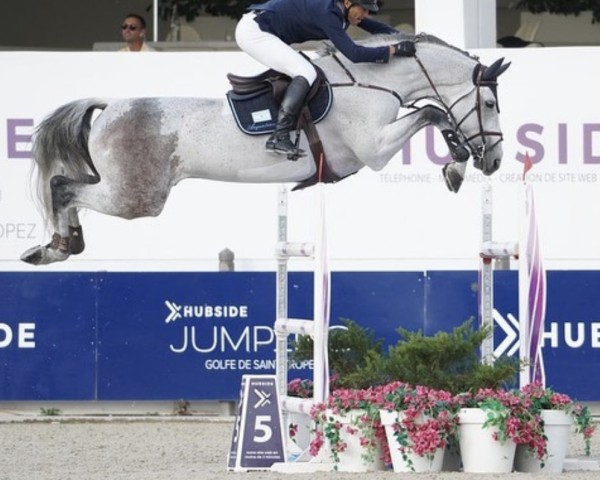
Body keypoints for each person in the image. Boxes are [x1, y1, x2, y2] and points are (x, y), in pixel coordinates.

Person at [235, 0, 415, 158]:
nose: (366, 15)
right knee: (306, 72)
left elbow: (375, 27)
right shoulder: (328, 14)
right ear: (347, 3)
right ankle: (279, 136)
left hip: (262, 29)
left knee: (305, 70)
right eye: (364, 9)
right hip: (254, 33)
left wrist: (407, 39)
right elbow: (354, 54)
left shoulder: (341, 9)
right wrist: (395, 50)